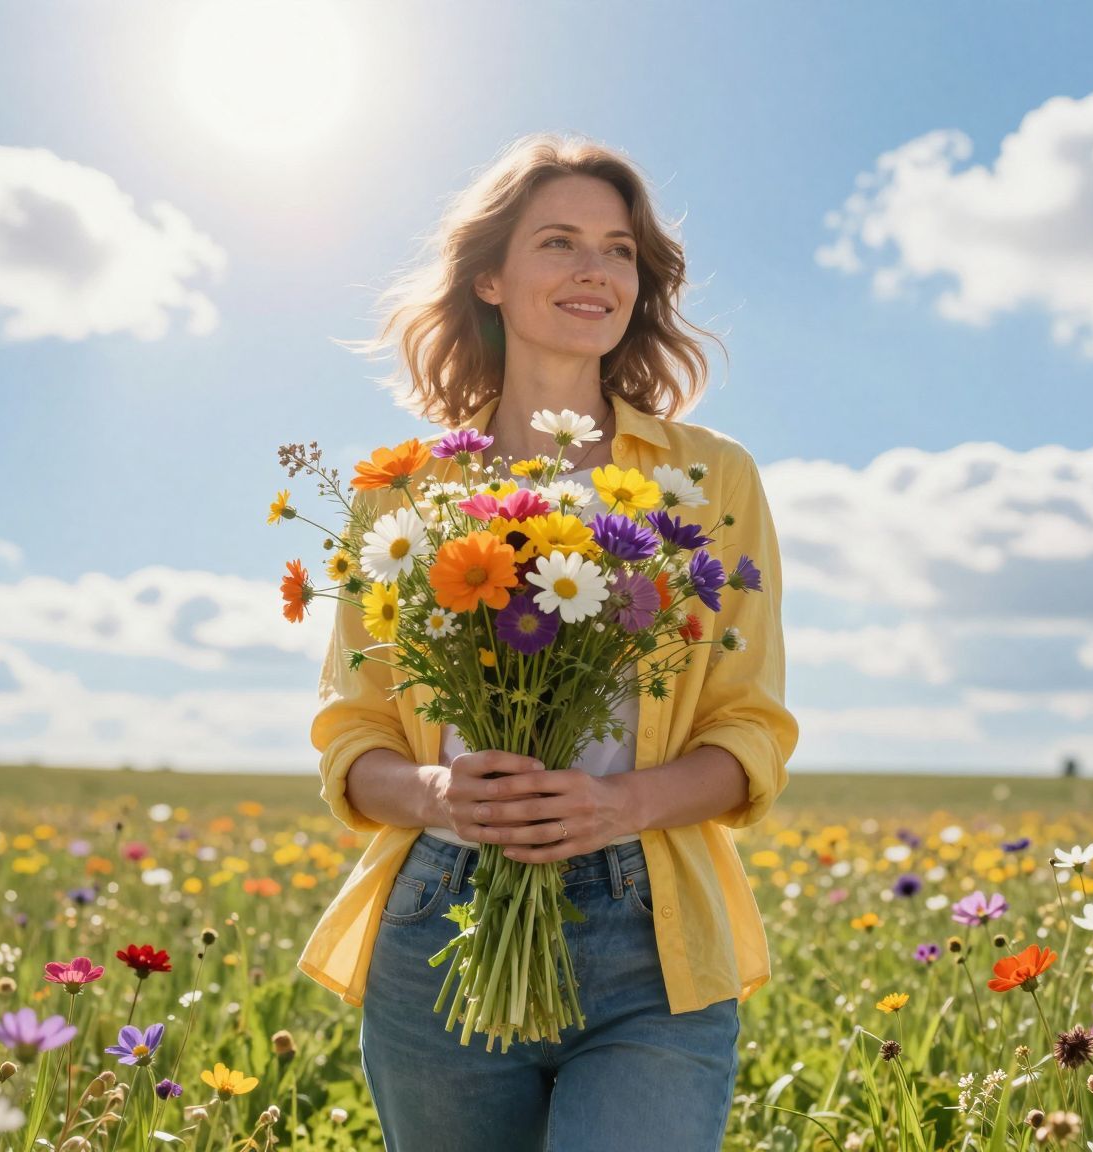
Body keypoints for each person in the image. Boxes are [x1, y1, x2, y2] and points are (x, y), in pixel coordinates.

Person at [294, 132, 799, 1152]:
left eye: (618, 250)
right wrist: (439, 795)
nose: (593, 270)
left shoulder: (708, 480)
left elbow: (748, 729)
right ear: (488, 275)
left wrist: (622, 802)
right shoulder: (400, 492)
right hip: (442, 920)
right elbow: (352, 736)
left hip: (650, 931)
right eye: (559, 242)